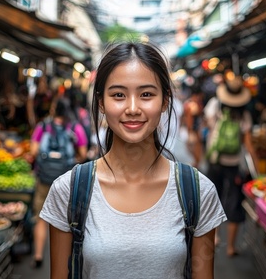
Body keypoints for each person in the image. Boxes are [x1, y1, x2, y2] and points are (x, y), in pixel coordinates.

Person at [40, 42, 226, 278]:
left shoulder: (198, 192)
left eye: (146, 94)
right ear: (101, 103)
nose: (132, 108)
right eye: (118, 95)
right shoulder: (68, 190)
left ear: (165, 101)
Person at [28, 97, 88, 268]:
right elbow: (83, 154)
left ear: (54, 109)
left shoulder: (43, 126)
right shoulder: (75, 128)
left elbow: (33, 151)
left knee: (40, 217)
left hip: (44, 178)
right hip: (66, 181)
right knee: (68, 221)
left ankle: (38, 255)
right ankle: (67, 259)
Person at [204, 73, 259, 257]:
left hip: (215, 160)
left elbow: (207, 126)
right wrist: (257, 169)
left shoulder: (214, 105)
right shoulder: (244, 114)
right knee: (234, 201)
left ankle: (215, 237)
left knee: (213, 198)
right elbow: (248, 143)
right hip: (234, 164)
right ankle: (230, 247)